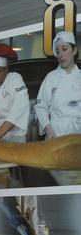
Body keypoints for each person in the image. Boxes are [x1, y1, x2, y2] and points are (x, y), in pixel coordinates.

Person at [34, 31, 81, 185]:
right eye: (58, 51)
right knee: (58, 183)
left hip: (77, 140)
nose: (61, 54)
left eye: (65, 49)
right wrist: (49, 129)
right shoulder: (51, 78)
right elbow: (40, 105)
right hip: (55, 138)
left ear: (74, 50)